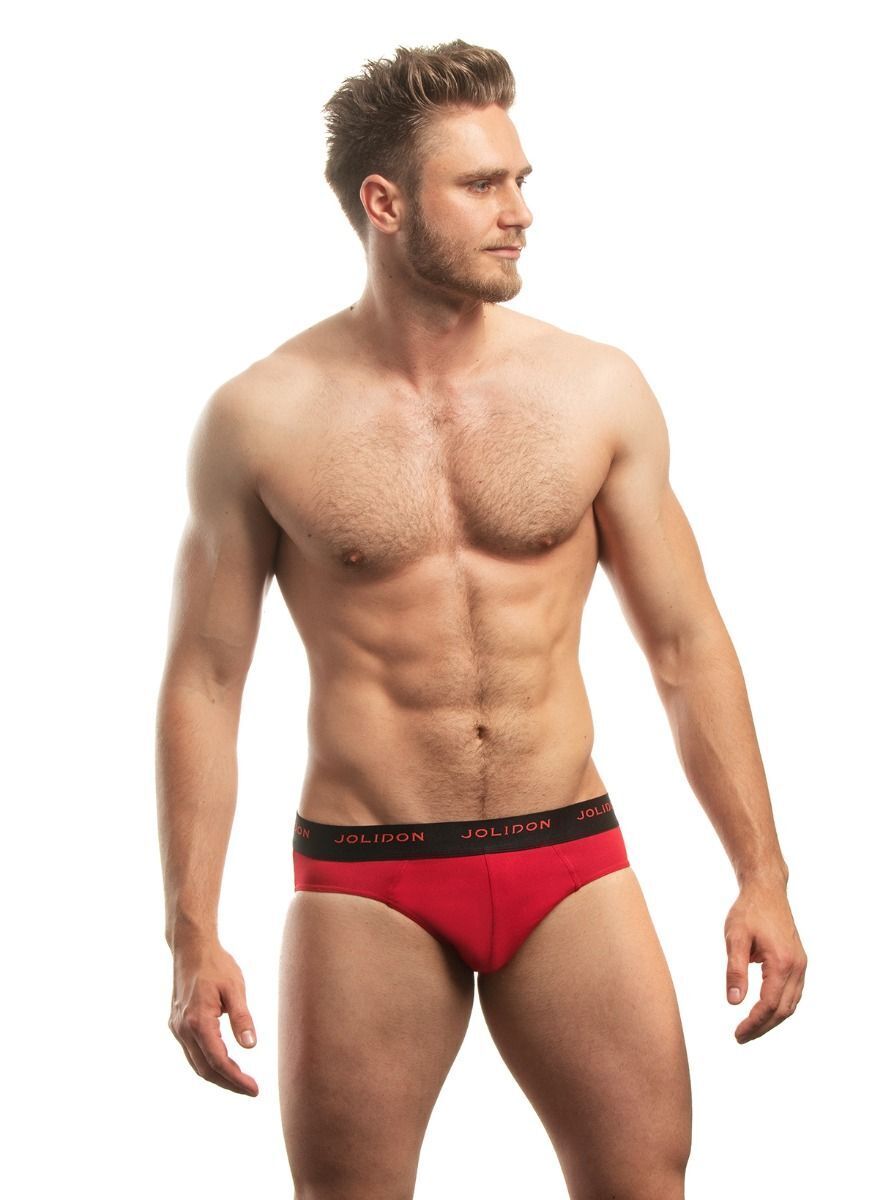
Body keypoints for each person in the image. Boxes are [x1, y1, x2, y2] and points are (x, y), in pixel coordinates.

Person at [156, 39, 807, 1199]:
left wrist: (762, 873)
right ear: (384, 203)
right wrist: (189, 931)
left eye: (519, 179)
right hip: (367, 879)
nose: (520, 212)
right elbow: (205, 680)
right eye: (481, 185)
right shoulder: (261, 417)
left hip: (569, 860)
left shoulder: (594, 388)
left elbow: (683, 645)